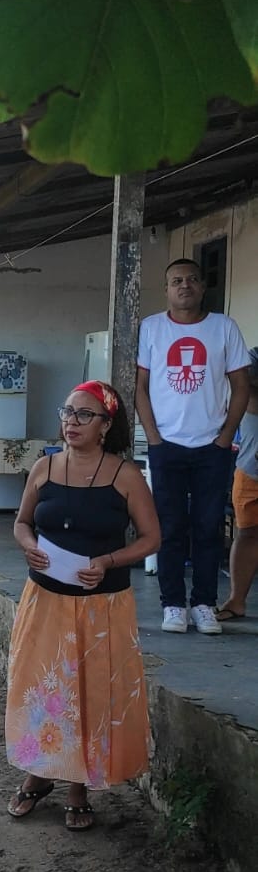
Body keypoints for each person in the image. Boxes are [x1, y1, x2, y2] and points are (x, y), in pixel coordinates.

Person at [6, 381, 160, 831]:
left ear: (106, 425)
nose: (71, 422)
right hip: (45, 601)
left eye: (84, 415)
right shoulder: (44, 467)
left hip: (102, 606)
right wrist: (28, 545)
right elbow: (21, 523)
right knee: (44, 690)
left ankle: (78, 787)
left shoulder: (125, 475)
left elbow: (152, 538)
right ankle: (39, 774)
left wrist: (108, 561)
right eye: (68, 412)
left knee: (90, 693)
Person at [136, 260, 250, 633]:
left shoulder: (224, 327)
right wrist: (153, 437)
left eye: (192, 280)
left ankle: (204, 604)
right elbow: (140, 387)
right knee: (169, 527)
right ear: (167, 289)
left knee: (208, 526)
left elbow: (241, 386)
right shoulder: (152, 328)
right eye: (176, 281)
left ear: (202, 287)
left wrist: (225, 437)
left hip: (211, 447)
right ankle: (172, 604)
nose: (184, 286)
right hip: (166, 445)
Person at [217, 345, 258, 622]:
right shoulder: (254, 356)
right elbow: (244, 388)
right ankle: (236, 601)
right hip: (251, 467)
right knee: (246, 534)